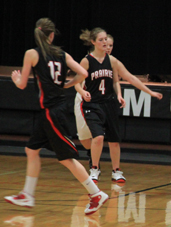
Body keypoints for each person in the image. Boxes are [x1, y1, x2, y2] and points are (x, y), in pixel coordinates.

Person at [4, 18, 108, 215]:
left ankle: (96, 194)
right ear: (52, 35)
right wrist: (67, 85)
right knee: (31, 150)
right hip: (53, 110)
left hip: (52, 112)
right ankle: (27, 194)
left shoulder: (32, 54)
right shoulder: (62, 54)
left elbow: (22, 84)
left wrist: (16, 79)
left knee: (66, 158)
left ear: (38, 34)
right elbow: (83, 72)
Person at [75, 31, 162, 184]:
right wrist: (82, 91)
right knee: (98, 137)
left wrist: (150, 92)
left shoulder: (113, 61)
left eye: (106, 40)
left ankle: (116, 171)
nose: (104, 43)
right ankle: (94, 169)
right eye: (101, 40)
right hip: (92, 104)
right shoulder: (86, 61)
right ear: (94, 42)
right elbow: (76, 82)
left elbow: (129, 77)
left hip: (109, 103)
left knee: (114, 140)